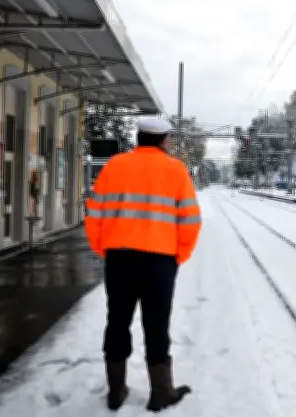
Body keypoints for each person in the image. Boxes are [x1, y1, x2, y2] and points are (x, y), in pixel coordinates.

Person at [84, 117, 202, 412]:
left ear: (139, 138)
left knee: (117, 321)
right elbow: (190, 220)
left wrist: (104, 248)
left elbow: (94, 212)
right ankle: (160, 392)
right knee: (156, 324)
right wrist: (180, 255)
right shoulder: (175, 170)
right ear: (164, 140)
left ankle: (115, 390)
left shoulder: (114, 166)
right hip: (160, 262)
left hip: (119, 258)